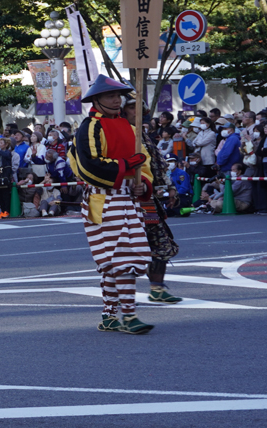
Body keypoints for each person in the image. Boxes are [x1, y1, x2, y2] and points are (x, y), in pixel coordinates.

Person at [67, 74, 155, 334]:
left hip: (128, 198)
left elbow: (145, 164)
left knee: (115, 260)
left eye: (118, 96)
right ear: (97, 100)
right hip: (102, 198)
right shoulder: (89, 127)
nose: (117, 100)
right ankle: (128, 315)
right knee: (122, 258)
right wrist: (126, 166)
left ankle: (109, 315)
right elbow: (89, 165)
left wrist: (143, 184)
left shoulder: (130, 127)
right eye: (110, 95)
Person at [120, 92, 182, 304]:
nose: (136, 112)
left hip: (148, 198)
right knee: (126, 248)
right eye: (131, 108)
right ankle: (118, 293)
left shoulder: (143, 134)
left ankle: (157, 288)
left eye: (139, 108)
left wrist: (169, 187)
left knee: (160, 243)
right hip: (124, 199)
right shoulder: (117, 133)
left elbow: (158, 164)